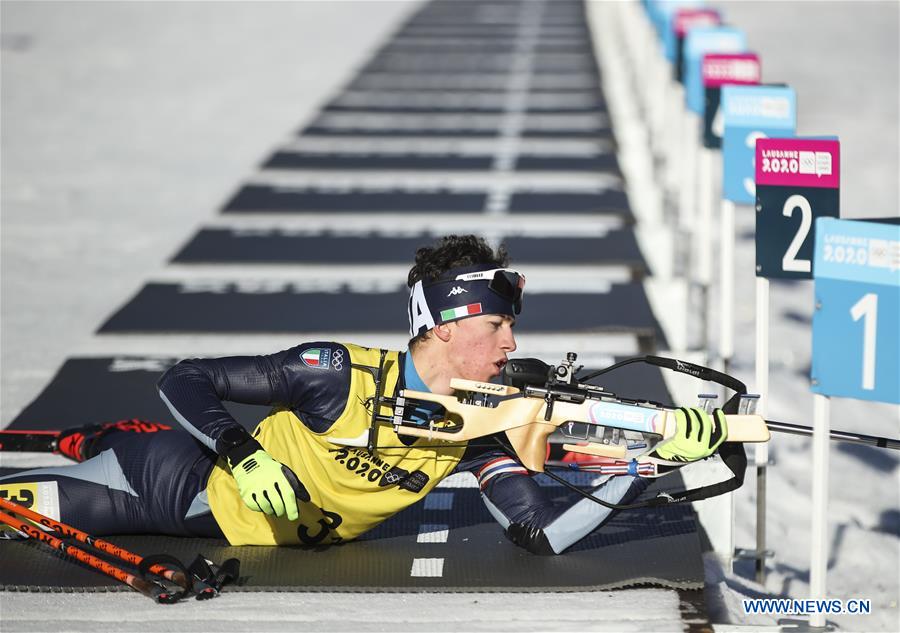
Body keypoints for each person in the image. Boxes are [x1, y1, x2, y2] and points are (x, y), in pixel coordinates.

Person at [0, 235, 726, 554]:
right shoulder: (337, 371)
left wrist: (646, 461)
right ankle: (93, 443)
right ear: (447, 325)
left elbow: (539, 532)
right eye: (500, 324)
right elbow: (183, 377)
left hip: (265, 539)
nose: (511, 344)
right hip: (166, 486)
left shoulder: (484, 420)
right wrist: (243, 453)